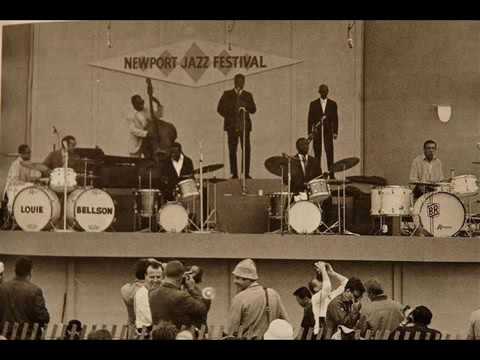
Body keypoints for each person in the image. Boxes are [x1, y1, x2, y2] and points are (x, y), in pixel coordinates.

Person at [225, 258, 289, 339]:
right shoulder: (273, 294)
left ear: (246, 278)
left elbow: (231, 330)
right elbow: (286, 322)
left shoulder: (239, 298)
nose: (235, 281)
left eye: (237, 278)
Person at [217, 73, 256, 179]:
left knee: (246, 149)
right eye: (238, 81)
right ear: (234, 82)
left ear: (244, 82)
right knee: (232, 150)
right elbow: (219, 109)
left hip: (244, 126)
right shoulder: (227, 94)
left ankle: (246, 173)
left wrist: (245, 105)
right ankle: (234, 173)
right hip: (231, 126)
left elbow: (253, 109)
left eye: (242, 81)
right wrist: (230, 113)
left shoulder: (248, 95)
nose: (240, 83)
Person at [149, 260, 208, 329]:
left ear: (165, 274)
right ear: (181, 277)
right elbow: (202, 310)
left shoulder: (152, 293)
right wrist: (192, 289)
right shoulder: (181, 296)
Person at [0, 257, 50, 339]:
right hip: (28, 336)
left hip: (5, 336)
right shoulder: (35, 290)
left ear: (15, 270)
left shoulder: (2, 288)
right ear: (30, 272)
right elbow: (43, 318)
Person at [127, 94, 177, 161]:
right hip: (137, 142)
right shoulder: (130, 115)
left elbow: (158, 115)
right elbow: (133, 130)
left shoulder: (146, 110)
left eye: (142, 102)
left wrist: (158, 103)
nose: (141, 105)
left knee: (149, 160)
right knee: (135, 162)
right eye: (139, 103)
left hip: (148, 141)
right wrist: (146, 133)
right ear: (134, 105)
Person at [309, 262, 348, 337]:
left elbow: (347, 283)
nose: (323, 281)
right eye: (319, 282)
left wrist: (332, 273)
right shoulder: (315, 299)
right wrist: (323, 270)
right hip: (321, 334)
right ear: (315, 289)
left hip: (332, 333)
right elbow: (327, 287)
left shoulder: (331, 295)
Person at [308, 84, 338, 179]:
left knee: (329, 152)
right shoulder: (313, 104)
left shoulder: (333, 104)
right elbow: (310, 119)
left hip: (328, 132)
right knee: (317, 153)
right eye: (322, 91)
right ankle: (318, 174)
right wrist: (310, 132)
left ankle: (331, 174)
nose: (324, 93)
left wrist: (335, 132)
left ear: (328, 92)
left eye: (325, 91)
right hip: (317, 132)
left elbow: (335, 119)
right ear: (319, 92)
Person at [2, 144, 44, 213]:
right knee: (31, 187)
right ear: (21, 154)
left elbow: (27, 178)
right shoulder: (16, 164)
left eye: (30, 152)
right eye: (28, 153)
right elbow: (14, 181)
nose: (30, 154)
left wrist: (36, 179)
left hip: (21, 187)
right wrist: (28, 184)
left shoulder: (27, 163)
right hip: (12, 189)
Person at [120, 258, 151, 338]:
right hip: (145, 330)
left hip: (131, 328)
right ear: (147, 274)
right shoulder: (147, 291)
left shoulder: (125, 289)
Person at [134, 261, 163, 337]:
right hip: (146, 334)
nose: (155, 280)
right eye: (152, 277)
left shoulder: (160, 292)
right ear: (145, 276)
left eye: (158, 277)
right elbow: (150, 318)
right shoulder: (142, 294)